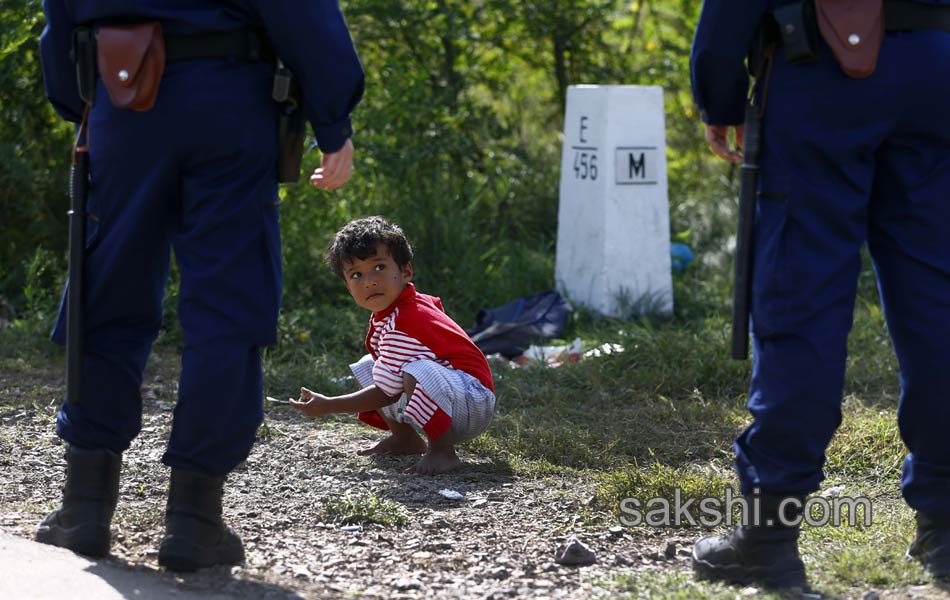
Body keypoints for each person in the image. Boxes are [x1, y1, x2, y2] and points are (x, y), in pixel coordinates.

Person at [35, 0, 364, 571]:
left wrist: (83, 99)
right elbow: (304, 14)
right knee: (228, 301)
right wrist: (333, 122)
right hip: (228, 104)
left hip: (123, 97)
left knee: (108, 290)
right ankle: (194, 522)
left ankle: (84, 509)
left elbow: (58, 31)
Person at [689, 0, 950, 589]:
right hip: (933, 72)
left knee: (799, 299)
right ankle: (947, 524)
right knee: (939, 301)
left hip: (819, 77)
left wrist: (720, 93)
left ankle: (769, 536)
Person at [290, 216, 495, 475]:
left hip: (472, 402)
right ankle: (405, 439)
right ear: (347, 286)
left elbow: (388, 392)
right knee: (370, 366)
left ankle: (442, 451)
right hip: (453, 395)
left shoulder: (406, 319)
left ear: (405, 271)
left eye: (379, 267)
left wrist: (329, 405)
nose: (370, 281)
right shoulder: (394, 311)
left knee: (414, 371)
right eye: (356, 274)